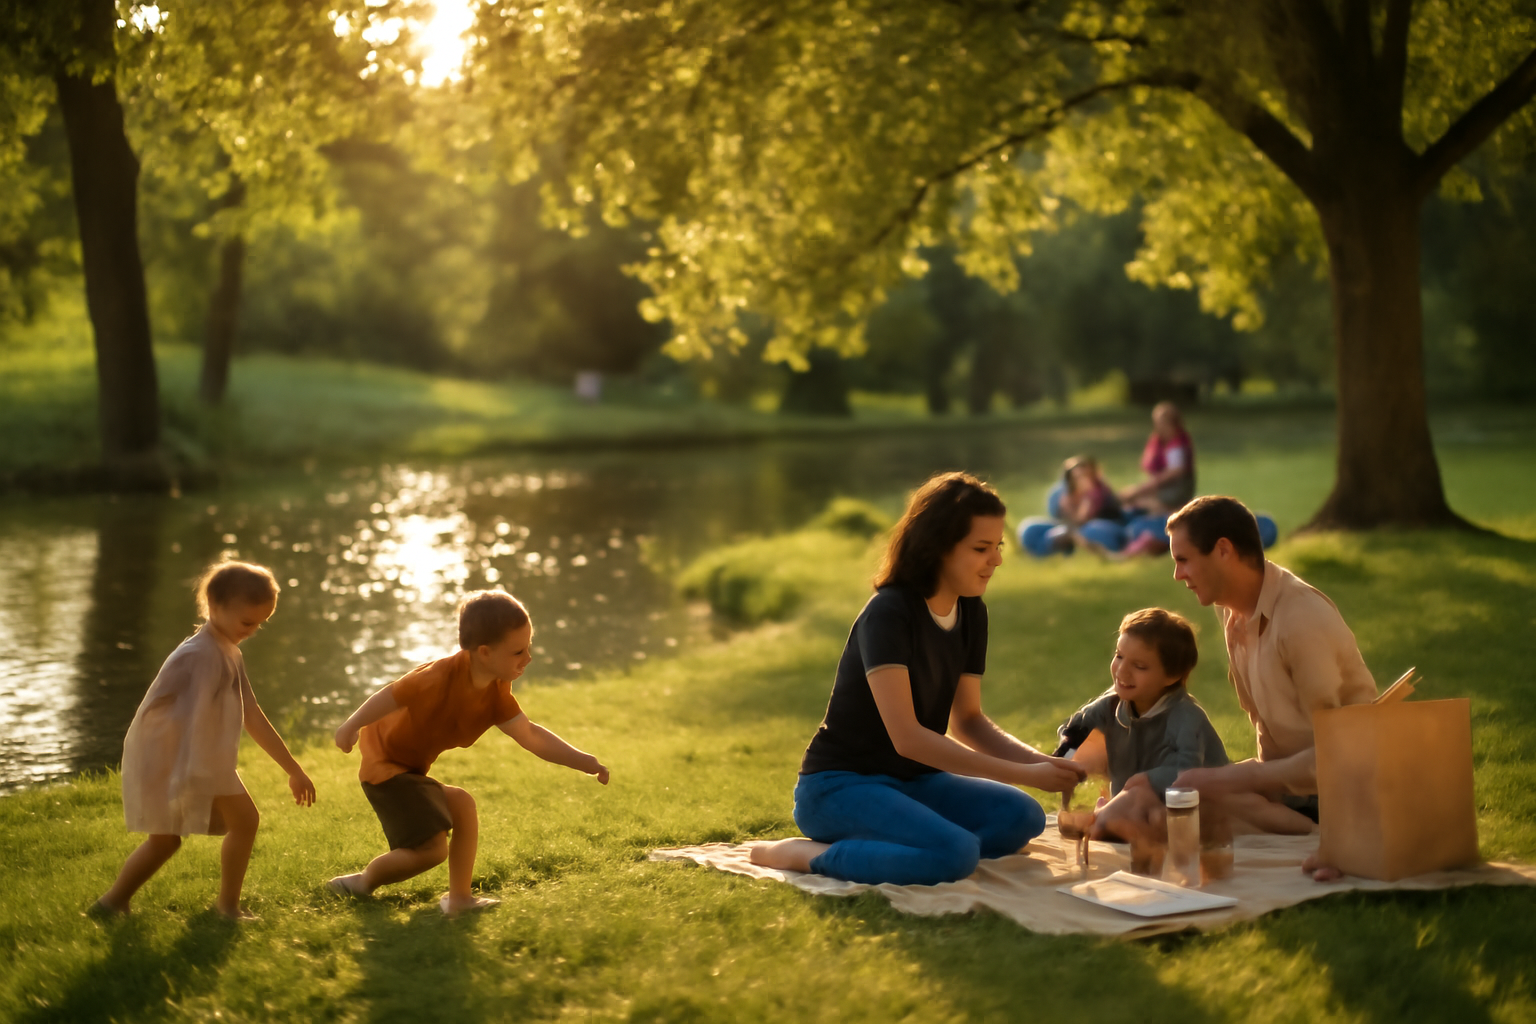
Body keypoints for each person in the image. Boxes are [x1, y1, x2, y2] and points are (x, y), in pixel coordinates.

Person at [751, 472, 1085, 886]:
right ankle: (808, 855)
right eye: (981, 548)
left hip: (916, 782)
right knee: (955, 853)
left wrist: (1041, 763)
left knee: (1023, 817)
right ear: (938, 547)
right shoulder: (889, 614)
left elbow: (969, 722)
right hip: (839, 787)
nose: (996, 560)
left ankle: (913, 843)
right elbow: (907, 738)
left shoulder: (971, 613)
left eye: (997, 547)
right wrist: (1023, 775)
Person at [1090, 497, 1377, 878]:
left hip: (1341, 797)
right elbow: (1267, 737)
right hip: (1283, 791)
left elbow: (1338, 754)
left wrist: (1232, 779)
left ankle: (1325, 838)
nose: (1177, 575)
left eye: (1184, 559)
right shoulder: (1233, 610)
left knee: (1174, 806)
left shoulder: (1301, 621)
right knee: (1152, 797)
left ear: (1223, 550)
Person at [328, 590, 609, 915]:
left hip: (411, 769)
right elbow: (390, 695)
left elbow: (530, 735)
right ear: (485, 653)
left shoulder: (495, 692)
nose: (528, 658)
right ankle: (362, 883)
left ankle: (459, 899)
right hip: (385, 766)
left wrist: (584, 761)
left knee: (462, 804)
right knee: (432, 851)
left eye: (528, 647)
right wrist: (351, 725)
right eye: (518, 651)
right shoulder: (436, 678)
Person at [94, 561, 316, 921]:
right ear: (214, 607)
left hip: (195, 756)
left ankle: (110, 903)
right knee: (240, 822)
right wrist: (195, 773)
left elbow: (252, 714)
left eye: (260, 624)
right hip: (176, 756)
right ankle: (226, 908)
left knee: (167, 841)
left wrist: (293, 769)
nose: (253, 630)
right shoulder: (200, 655)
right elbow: (185, 720)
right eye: (247, 622)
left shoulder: (228, 649)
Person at [1054, 608, 1228, 799]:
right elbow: (1075, 731)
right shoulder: (1110, 706)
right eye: (1119, 656)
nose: (1122, 671)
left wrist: (1146, 781)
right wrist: (1067, 763)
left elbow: (1189, 774)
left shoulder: (1186, 718)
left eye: (1139, 666)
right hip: (1132, 808)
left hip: (1196, 808)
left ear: (1172, 676)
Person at [1120, 401, 1196, 518]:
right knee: (1130, 497)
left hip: (1176, 489)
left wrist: (1141, 490)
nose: (1157, 426)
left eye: (1161, 423)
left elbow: (1175, 472)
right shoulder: (1160, 441)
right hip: (1162, 487)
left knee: (1135, 499)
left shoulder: (1177, 444)